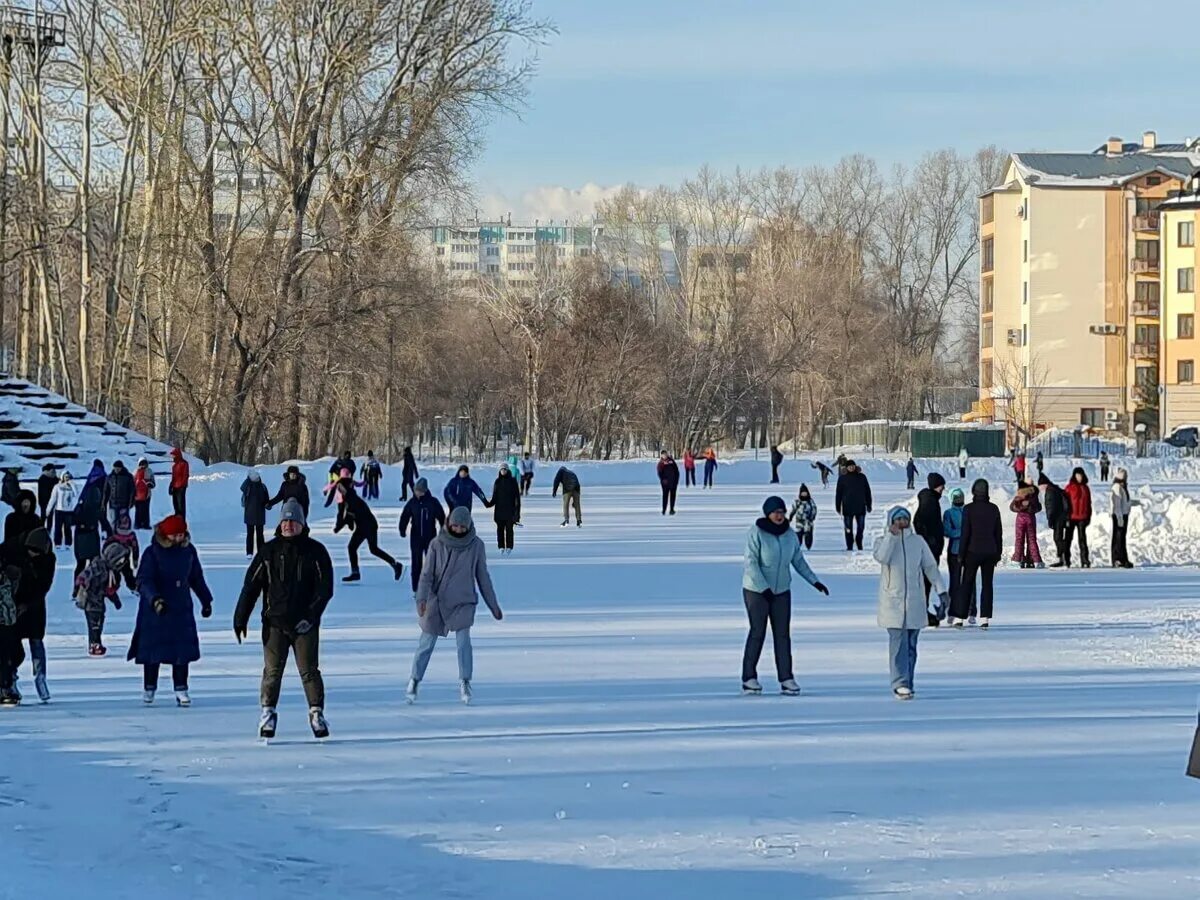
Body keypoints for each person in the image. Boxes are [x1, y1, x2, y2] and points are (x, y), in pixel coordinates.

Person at [234, 499, 335, 740]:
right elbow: (251, 586)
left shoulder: (316, 551)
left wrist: (311, 616)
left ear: (302, 524)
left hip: (305, 625)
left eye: (293, 521)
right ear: (279, 524)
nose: (289, 525)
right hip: (274, 623)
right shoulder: (269, 552)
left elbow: (325, 589)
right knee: (272, 672)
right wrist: (241, 617)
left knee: (309, 671)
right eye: (285, 521)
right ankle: (268, 713)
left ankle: (316, 713)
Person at [407, 506, 503, 705]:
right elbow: (426, 575)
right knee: (426, 643)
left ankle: (465, 681)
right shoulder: (437, 544)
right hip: (437, 600)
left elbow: (483, 577)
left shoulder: (476, 546)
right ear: (449, 523)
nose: (458, 529)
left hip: (463, 601)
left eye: (462, 526)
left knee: (463, 643)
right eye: (455, 525)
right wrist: (422, 599)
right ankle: (415, 679)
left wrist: (493, 605)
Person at [741, 496, 830, 696]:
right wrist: (764, 588)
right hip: (757, 591)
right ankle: (749, 678)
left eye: (781, 512)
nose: (779, 516)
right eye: (775, 512)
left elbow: (798, 560)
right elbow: (751, 563)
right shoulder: (757, 533)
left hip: (781, 591)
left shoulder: (789, 535)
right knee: (758, 632)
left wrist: (814, 581)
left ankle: (786, 678)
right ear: (768, 513)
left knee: (782, 635)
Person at [128, 515, 214, 705]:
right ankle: (149, 687)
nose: (179, 538)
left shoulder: (188, 551)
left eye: (181, 534)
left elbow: (196, 577)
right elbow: (144, 580)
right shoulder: (152, 553)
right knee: (153, 651)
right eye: (175, 535)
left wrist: (205, 600)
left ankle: (181, 688)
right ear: (165, 535)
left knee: (181, 652)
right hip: (156, 609)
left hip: (180, 607)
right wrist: (155, 599)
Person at [873, 507, 947, 700]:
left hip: (914, 601)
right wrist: (891, 536)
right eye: (897, 519)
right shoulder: (882, 542)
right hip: (892, 602)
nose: (902, 523)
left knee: (911, 645)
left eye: (905, 519)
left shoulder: (917, 542)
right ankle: (900, 682)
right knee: (898, 644)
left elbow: (930, 566)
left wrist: (942, 591)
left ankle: (908, 681)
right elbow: (882, 557)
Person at [0, 527, 55, 703]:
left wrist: (27, 604)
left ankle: (40, 679)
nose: (33, 555)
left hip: (33, 606)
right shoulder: (11, 549)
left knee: (36, 641)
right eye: (32, 551)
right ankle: (9, 682)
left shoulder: (47, 560)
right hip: (9, 605)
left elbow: (43, 586)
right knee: (11, 648)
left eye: (37, 553)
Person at [326, 475, 404, 583]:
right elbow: (345, 515)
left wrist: (342, 525)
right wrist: (341, 525)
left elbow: (348, 515)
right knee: (353, 547)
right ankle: (355, 573)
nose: (339, 490)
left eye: (340, 488)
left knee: (372, 549)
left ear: (345, 488)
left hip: (369, 526)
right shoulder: (347, 498)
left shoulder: (351, 498)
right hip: (362, 526)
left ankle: (395, 564)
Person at [949, 479, 1002, 628]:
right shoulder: (993, 509)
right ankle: (985, 618)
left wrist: (961, 554)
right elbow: (998, 533)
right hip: (990, 551)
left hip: (972, 551)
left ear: (973, 491)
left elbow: (966, 533)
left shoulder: (969, 509)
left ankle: (960, 617)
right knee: (987, 584)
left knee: (966, 583)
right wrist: (998, 552)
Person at [74, 541, 131, 658]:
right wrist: (82, 585)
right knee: (94, 624)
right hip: (91, 602)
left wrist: (115, 600)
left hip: (98, 602)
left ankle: (96, 643)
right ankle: (94, 645)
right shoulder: (98, 567)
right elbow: (84, 575)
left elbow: (108, 589)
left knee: (99, 622)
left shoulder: (110, 572)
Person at [399, 477, 446, 596]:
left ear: (424, 491)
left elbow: (441, 516)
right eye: (416, 490)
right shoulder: (412, 502)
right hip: (415, 537)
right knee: (416, 563)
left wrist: (444, 530)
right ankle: (416, 588)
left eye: (419, 491)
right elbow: (405, 516)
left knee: (431, 563)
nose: (417, 493)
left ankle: (433, 588)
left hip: (430, 536)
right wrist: (402, 529)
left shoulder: (432, 502)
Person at [913, 472, 946, 623]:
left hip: (931, 547)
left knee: (927, 581)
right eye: (941, 486)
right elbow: (919, 522)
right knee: (926, 580)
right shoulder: (929, 501)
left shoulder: (931, 499)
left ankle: (923, 610)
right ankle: (922, 612)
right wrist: (929, 539)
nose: (943, 489)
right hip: (930, 548)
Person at [74, 460, 109, 577]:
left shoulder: (90, 481)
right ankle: (91, 584)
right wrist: (109, 531)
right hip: (91, 532)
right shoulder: (103, 479)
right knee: (94, 561)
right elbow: (102, 518)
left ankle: (77, 587)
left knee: (81, 563)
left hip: (80, 534)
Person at [835, 460, 872, 551]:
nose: (851, 468)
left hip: (860, 506)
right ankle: (849, 545)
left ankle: (859, 541)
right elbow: (838, 493)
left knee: (861, 527)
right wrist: (838, 505)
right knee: (848, 529)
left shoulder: (862, 477)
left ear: (855, 466)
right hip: (847, 507)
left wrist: (869, 504)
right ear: (846, 468)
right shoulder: (842, 478)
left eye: (853, 466)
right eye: (849, 466)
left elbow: (867, 491)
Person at [1040, 473, 1072, 568]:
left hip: (1058, 518)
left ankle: (1062, 558)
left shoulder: (1050, 491)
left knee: (1058, 538)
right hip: (1062, 517)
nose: (1040, 488)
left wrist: (1050, 519)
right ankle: (1063, 558)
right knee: (1059, 538)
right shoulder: (1055, 489)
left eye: (1040, 486)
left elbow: (1051, 507)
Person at [1063, 467, 1093, 569]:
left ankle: (1085, 560)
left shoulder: (1085, 488)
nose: (1079, 477)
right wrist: (1065, 517)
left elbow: (1089, 503)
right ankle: (1066, 560)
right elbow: (1064, 503)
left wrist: (1089, 516)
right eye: (1077, 475)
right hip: (1071, 517)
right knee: (1068, 539)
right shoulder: (1069, 487)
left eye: (1081, 475)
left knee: (1082, 540)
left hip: (1082, 517)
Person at [489, 463, 521, 555]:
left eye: (505, 469)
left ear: (508, 470)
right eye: (501, 469)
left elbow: (517, 499)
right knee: (500, 529)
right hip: (499, 511)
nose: (503, 471)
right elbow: (494, 497)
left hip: (510, 511)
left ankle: (509, 547)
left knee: (509, 530)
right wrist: (488, 504)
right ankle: (501, 546)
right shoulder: (497, 482)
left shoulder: (512, 481)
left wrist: (517, 514)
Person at [1010, 483, 1044, 569]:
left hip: (1020, 520)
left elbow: (1012, 507)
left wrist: (1021, 506)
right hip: (1030, 519)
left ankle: (1017, 560)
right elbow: (1038, 507)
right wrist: (1029, 507)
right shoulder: (1033, 497)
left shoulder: (1018, 497)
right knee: (1032, 540)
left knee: (1019, 540)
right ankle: (1036, 560)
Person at [942, 488, 966, 602]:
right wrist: (964, 532)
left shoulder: (968, 511)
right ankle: (954, 603)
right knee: (954, 579)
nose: (958, 499)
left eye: (960, 496)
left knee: (967, 580)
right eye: (956, 497)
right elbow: (947, 531)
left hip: (967, 550)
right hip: (954, 550)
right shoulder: (948, 513)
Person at [241, 469, 270, 557]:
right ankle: (250, 552)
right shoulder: (248, 486)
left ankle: (258, 552)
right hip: (252, 514)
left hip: (257, 514)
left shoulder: (262, 487)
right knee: (252, 534)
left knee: (258, 534)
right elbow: (242, 490)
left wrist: (268, 505)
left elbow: (266, 499)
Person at [1110, 468, 1135, 569]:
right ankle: (1117, 559)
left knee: (1122, 538)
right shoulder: (1117, 487)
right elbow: (1116, 504)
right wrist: (1119, 517)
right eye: (1124, 476)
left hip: (1124, 515)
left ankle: (1123, 558)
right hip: (1118, 515)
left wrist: (1132, 503)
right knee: (1118, 538)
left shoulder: (1123, 487)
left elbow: (1124, 501)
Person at [46, 470, 76, 548]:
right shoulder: (57, 487)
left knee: (67, 528)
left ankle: (68, 543)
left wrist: (72, 485)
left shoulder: (72, 487)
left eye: (68, 477)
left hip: (69, 511)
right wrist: (49, 509)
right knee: (58, 527)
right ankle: (57, 543)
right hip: (59, 510)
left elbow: (76, 495)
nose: (67, 478)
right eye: (65, 477)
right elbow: (53, 498)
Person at [106, 510, 141, 575]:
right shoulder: (117, 535)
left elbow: (135, 548)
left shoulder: (129, 536)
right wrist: (135, 560)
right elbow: (135, 548)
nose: (124, 525)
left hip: (121, 559)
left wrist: (135, 559)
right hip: (115, 559)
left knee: (126, 574)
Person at [788, 484, 817, 550]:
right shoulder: (798, 502)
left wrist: (812, 517)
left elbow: (814, 509)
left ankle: (808, 546)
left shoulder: (810, 502)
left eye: (805, 493)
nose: (804, 495)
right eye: (802, 493)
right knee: (799, 535)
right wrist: (790, 517)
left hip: (808, 522)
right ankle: (798, 546)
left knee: (808, 535)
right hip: (799, 521)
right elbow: (793, 510)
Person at [133, 458, 156, 530]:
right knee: (141, 510)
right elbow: (132, 482)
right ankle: (141, 523)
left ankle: (141, 524)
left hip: (143, 494)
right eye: (142, 464)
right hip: (141, 494)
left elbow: (153, 482)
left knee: (142, 509)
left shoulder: (137, 471)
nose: (143, 465)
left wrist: (151, 484)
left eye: (144, 463)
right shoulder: (138, 471)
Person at [657, 451, 680, 515]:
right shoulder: (661, 463)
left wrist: (676, 480)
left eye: (666, 454)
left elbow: (676, 471)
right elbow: (659, 473)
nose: (665, 456)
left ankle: (672, 509)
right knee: (665, 496)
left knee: (673, 496)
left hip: (673, 482)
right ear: (661, 456)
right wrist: (663, 479)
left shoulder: (671, 461)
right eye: (663, 455)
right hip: (665, 483)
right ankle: (664, 510)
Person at [169, 447, 189, 517]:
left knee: (181, 506)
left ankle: (182, 522)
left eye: (174, 455)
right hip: (175, 487)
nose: (172, 457)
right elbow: (173, 477)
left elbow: (185, 475)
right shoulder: (174, 466)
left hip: (181, 487)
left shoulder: (184, 463)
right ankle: (177, 522)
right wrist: (171, 486)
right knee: (175, 505)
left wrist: (183, 486)